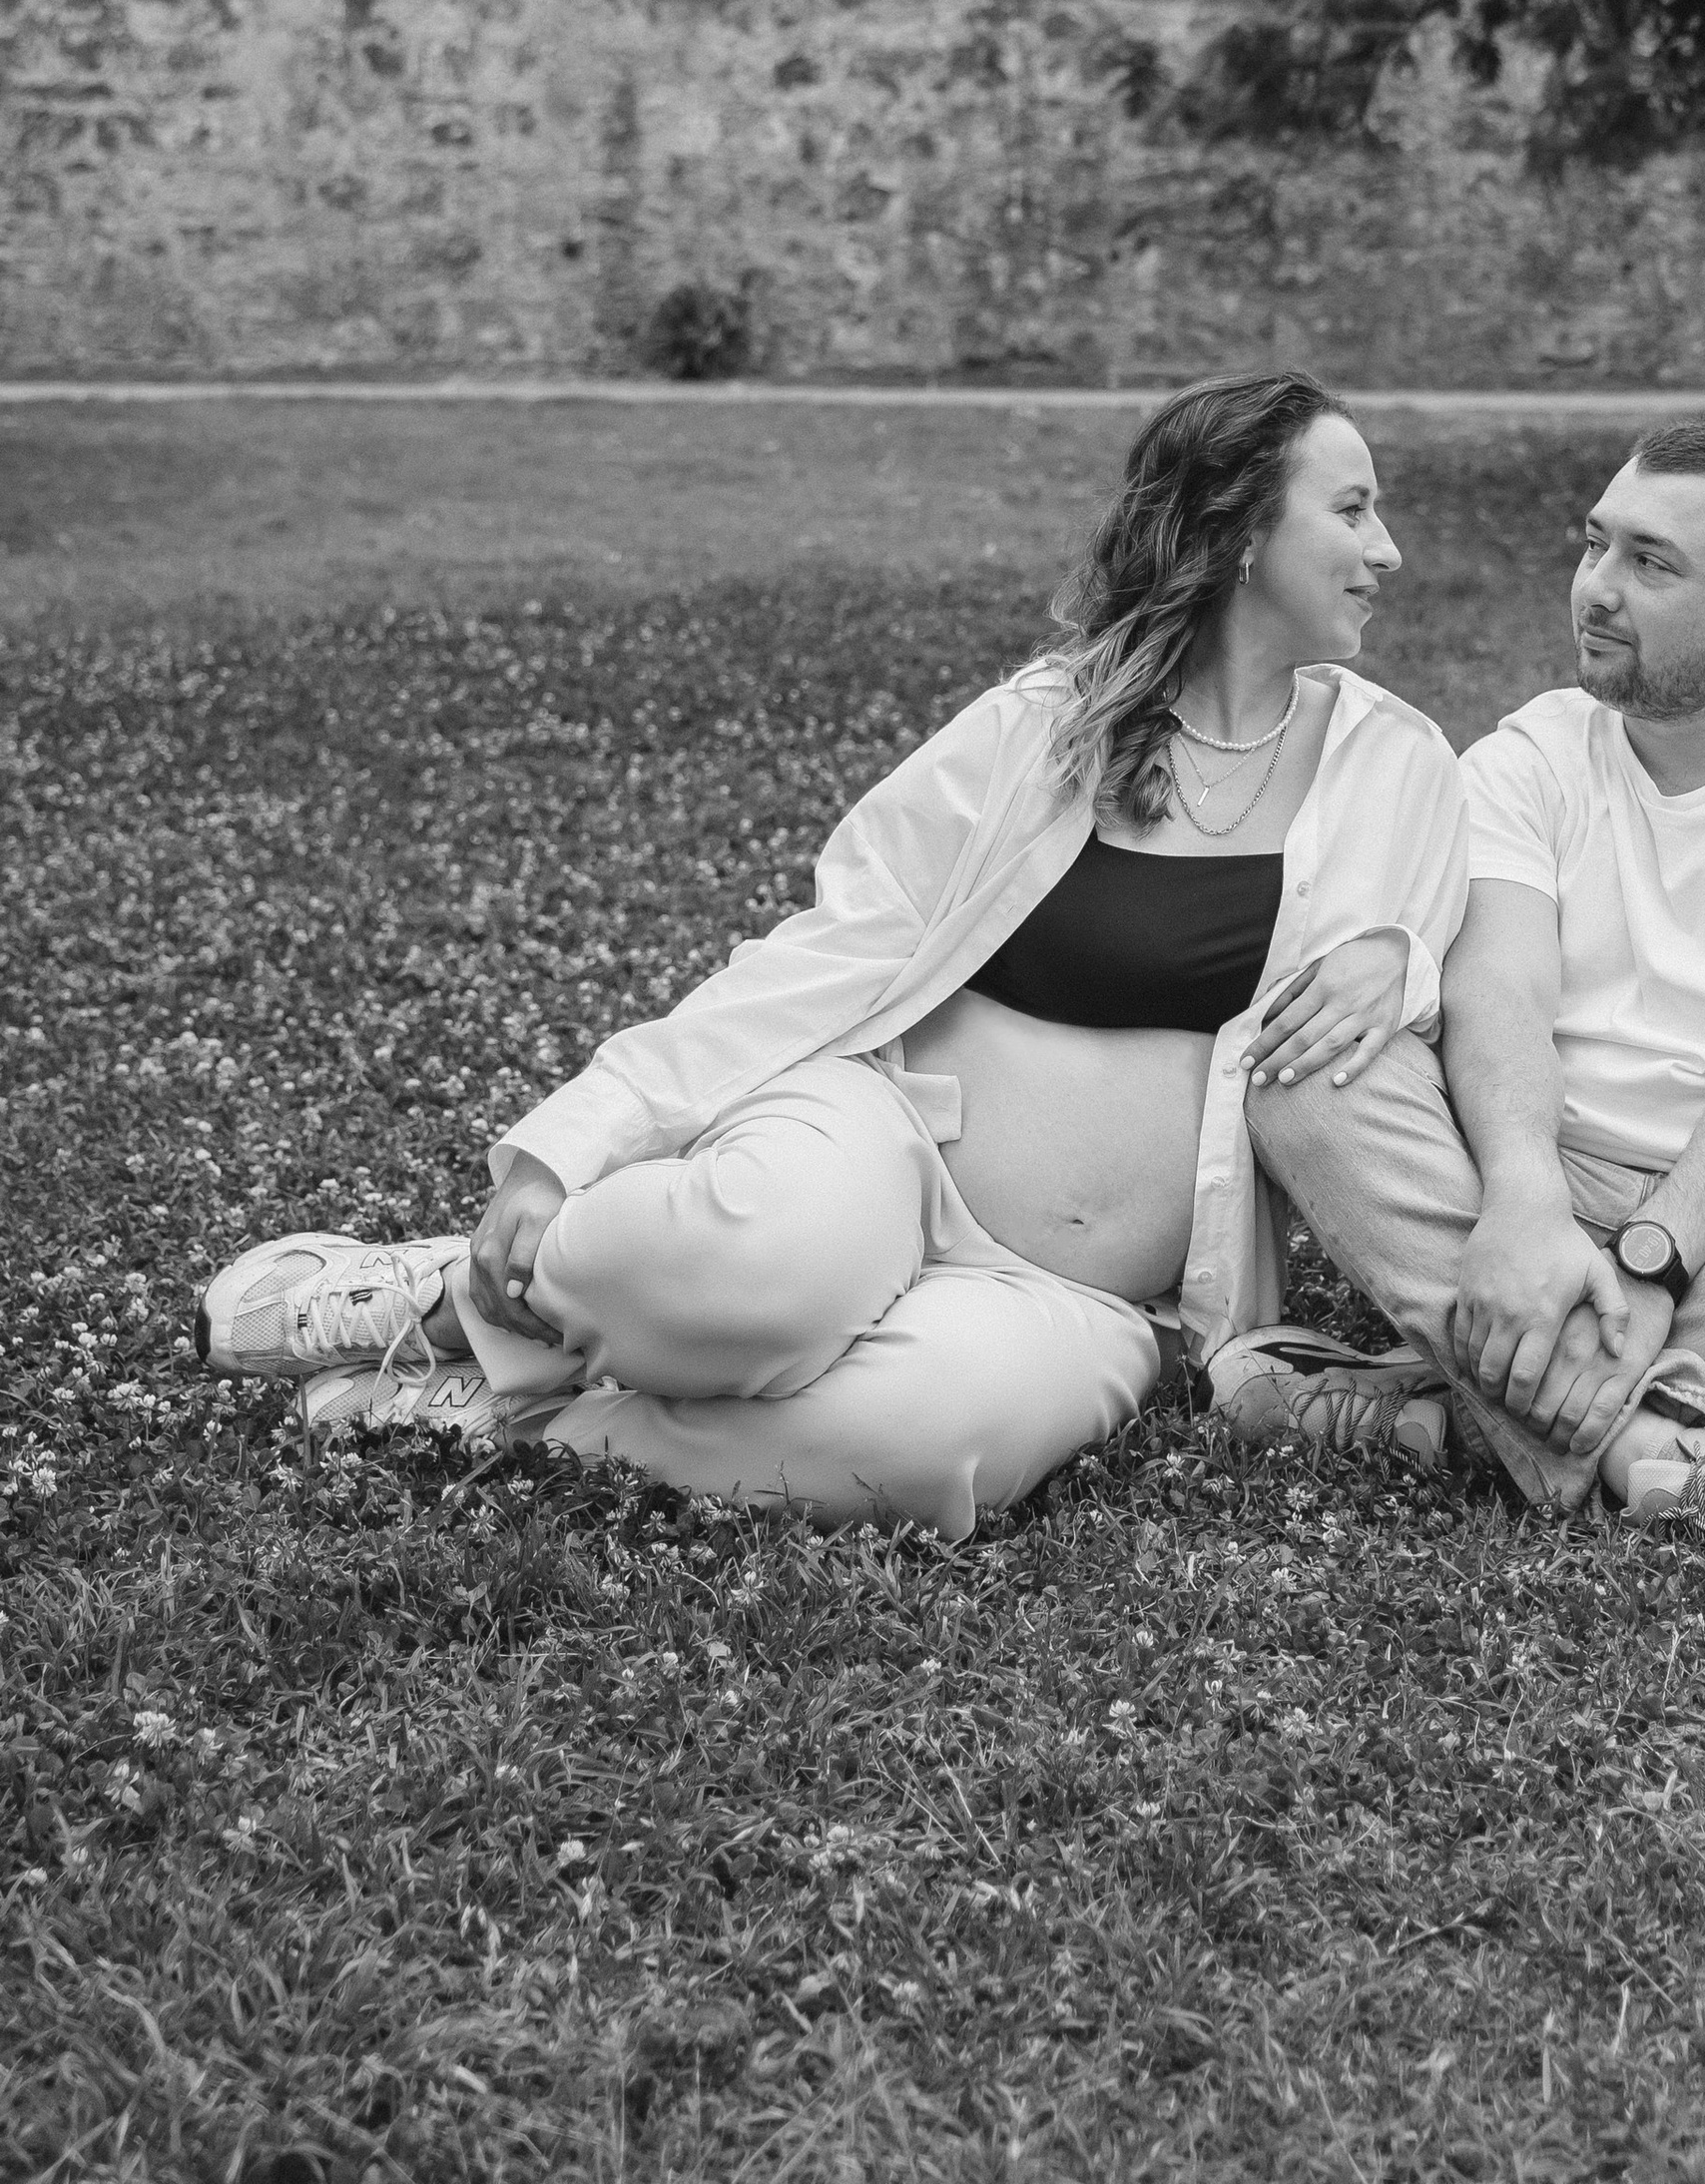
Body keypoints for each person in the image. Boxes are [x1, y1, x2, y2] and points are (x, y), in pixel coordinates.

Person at [194, 376, 1469, 1537]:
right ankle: (430, 1302)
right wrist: (561, 1145)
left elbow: (1433, 957)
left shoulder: (1392, 763)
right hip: (886, 1140)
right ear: (1241, 530)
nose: (1387, 551)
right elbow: (831, 947)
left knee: (916, 1452)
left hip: (1086, 1296)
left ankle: (495, 1415)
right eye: (1352, 510)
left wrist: (1400, 962)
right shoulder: (1044, 729)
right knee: (747, 1277)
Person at [1213, 418, 1705, 1587]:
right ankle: (1668, 1456)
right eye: (1595, 546)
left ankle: (1441, 1400)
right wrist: (1525, 1203)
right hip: (1523, 1196)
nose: (1598, 591)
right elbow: (1497, 990)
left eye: (1651, 563)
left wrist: (1649, 1265)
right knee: (1310, 1062)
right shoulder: (1528, 758)